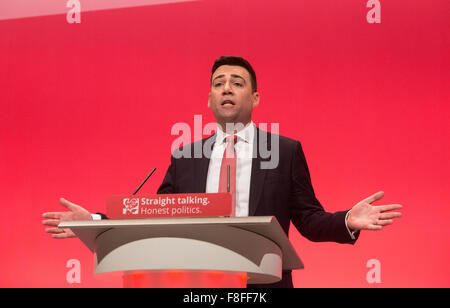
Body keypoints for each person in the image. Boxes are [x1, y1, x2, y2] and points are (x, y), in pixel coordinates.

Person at [42, 56, 402, 288]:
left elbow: (308, 220)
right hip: (198, 284)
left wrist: (347, 222)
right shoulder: (186, 156)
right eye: (218, 83)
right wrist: (92, 220)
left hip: (265, 283)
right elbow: (153, 216)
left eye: (237, 82)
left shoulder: (285, 151)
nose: (226, 88)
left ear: (256, 98)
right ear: (210, 100)